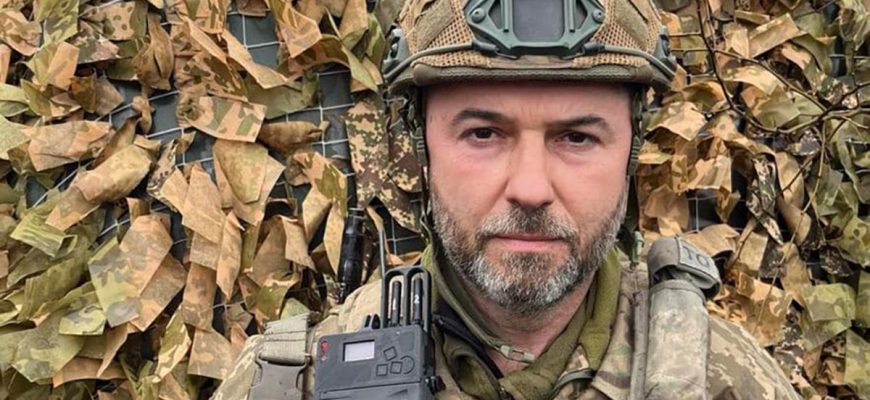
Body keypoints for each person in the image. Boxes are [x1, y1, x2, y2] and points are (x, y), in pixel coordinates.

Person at [213, 0, 801, 398]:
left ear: (631, 151)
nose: (531, 189)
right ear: (420, 149)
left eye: (576, 138)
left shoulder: (726, 379)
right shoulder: (290, 382)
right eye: (483, 134)